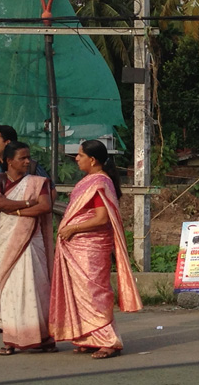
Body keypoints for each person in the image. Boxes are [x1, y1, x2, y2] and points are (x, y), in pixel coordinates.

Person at [49, 140, 142, 358]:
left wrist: (73, 229)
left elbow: (101, 219)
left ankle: (109, 341)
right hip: (78, 247)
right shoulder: (87, 181)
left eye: (80, 155)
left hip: (91, 246)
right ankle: (88, 337)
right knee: (80, 292)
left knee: (95, 292)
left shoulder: (100, 182)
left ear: (92, 160)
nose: (77, 159)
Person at [0, 125, 54, 336]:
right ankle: (2, 321)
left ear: (6, 143)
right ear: (10, 160)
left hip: (30, 233)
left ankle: (36, 326)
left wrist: (20, 211)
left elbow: (47, 198)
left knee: (34, 278)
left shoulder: (34, 170)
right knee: (1, 277)